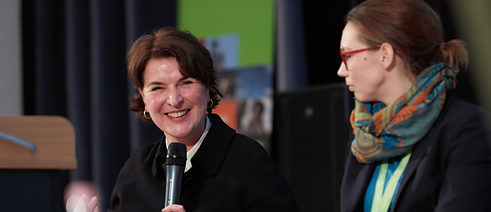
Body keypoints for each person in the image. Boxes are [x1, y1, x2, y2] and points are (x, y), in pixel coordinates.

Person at [107, 27, 299, 212]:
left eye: (186, 83)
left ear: (207, 88)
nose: (174, 100)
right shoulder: (135, 172)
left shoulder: (248, 162)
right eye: (158, 88)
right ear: (144, 98)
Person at [337, 0, 491, 211]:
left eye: (347, 56)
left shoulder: (467, 128)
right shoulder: (365, 131)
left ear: (385, 55)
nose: (341, 70)